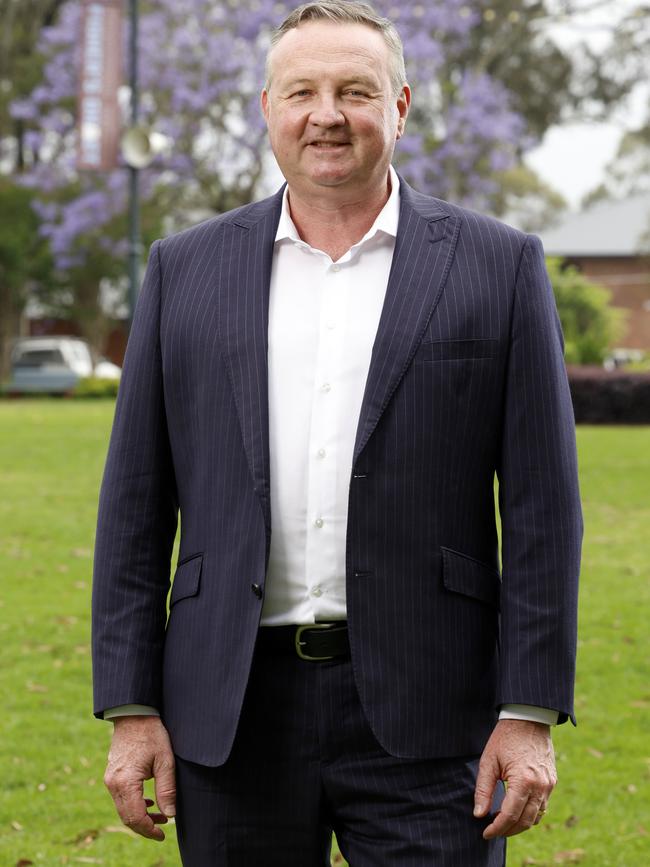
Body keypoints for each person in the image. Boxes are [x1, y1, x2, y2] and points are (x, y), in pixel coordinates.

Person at [92, 2, 582, 864]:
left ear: (398, 107)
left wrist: (530, 710)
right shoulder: (183, 268)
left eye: (356, 90)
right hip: (230, 711)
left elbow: (543, 507)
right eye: (303, 91)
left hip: (431, 711)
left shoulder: (499, 266)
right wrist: (132, 707)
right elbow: (135, 503)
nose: (327, 114)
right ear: (268, 109)